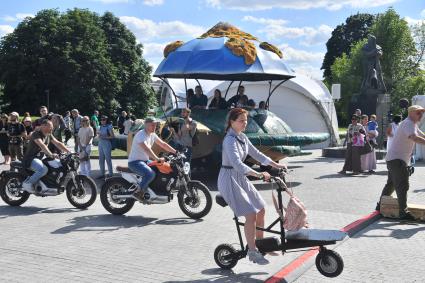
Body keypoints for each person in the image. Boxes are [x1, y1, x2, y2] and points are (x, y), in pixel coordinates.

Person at [218, 108, 286, 265]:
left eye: (245, 120)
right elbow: (237, 164)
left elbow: (257, 154)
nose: (244, 123)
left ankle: (260, 245)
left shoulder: (241, 137)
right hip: (228, 179)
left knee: (261, 209)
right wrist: (260, 175)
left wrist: (277, 165)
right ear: (231, 122)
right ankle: (252, 251)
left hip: (239, 177)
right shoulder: (229, 140)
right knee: (251, 214)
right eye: (241, 120)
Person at [376, 105, 425, 220]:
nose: (421, 115)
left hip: (394, 159)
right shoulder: (409, 123)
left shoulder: (410, 123)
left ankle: (379, 206)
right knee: (403, 185)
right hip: (397, 160)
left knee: (391, 185)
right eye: (418, 113)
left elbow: (421, 134)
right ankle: (403, 212)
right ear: (411, 113)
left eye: (422, 113)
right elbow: (415, 138)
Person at [128, 117, 176, 201]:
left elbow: (163, 144)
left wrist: (176, 152)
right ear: (146, 125)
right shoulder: (140, 135)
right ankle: (138, 192)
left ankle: (153, 190)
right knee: (150, 174)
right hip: (134, 162)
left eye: (155, 125)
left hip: (145, 161)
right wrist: (156, 158)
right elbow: (147, 149)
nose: (155, 127)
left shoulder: (152, 134)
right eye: (152, 125)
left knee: (161, 168)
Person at [21, 120, 70, 193]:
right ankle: (27, 183)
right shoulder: (36, 134)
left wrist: (69, 152)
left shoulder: (49, 134)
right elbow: (42, 145)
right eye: (50, 127)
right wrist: (51, 154)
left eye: (52, 127)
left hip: (40, 159)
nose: (52, 129)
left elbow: (58, 143)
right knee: (43, 169)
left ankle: (48, 184)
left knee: (57, 165)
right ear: (43, 126)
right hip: (30, 158)